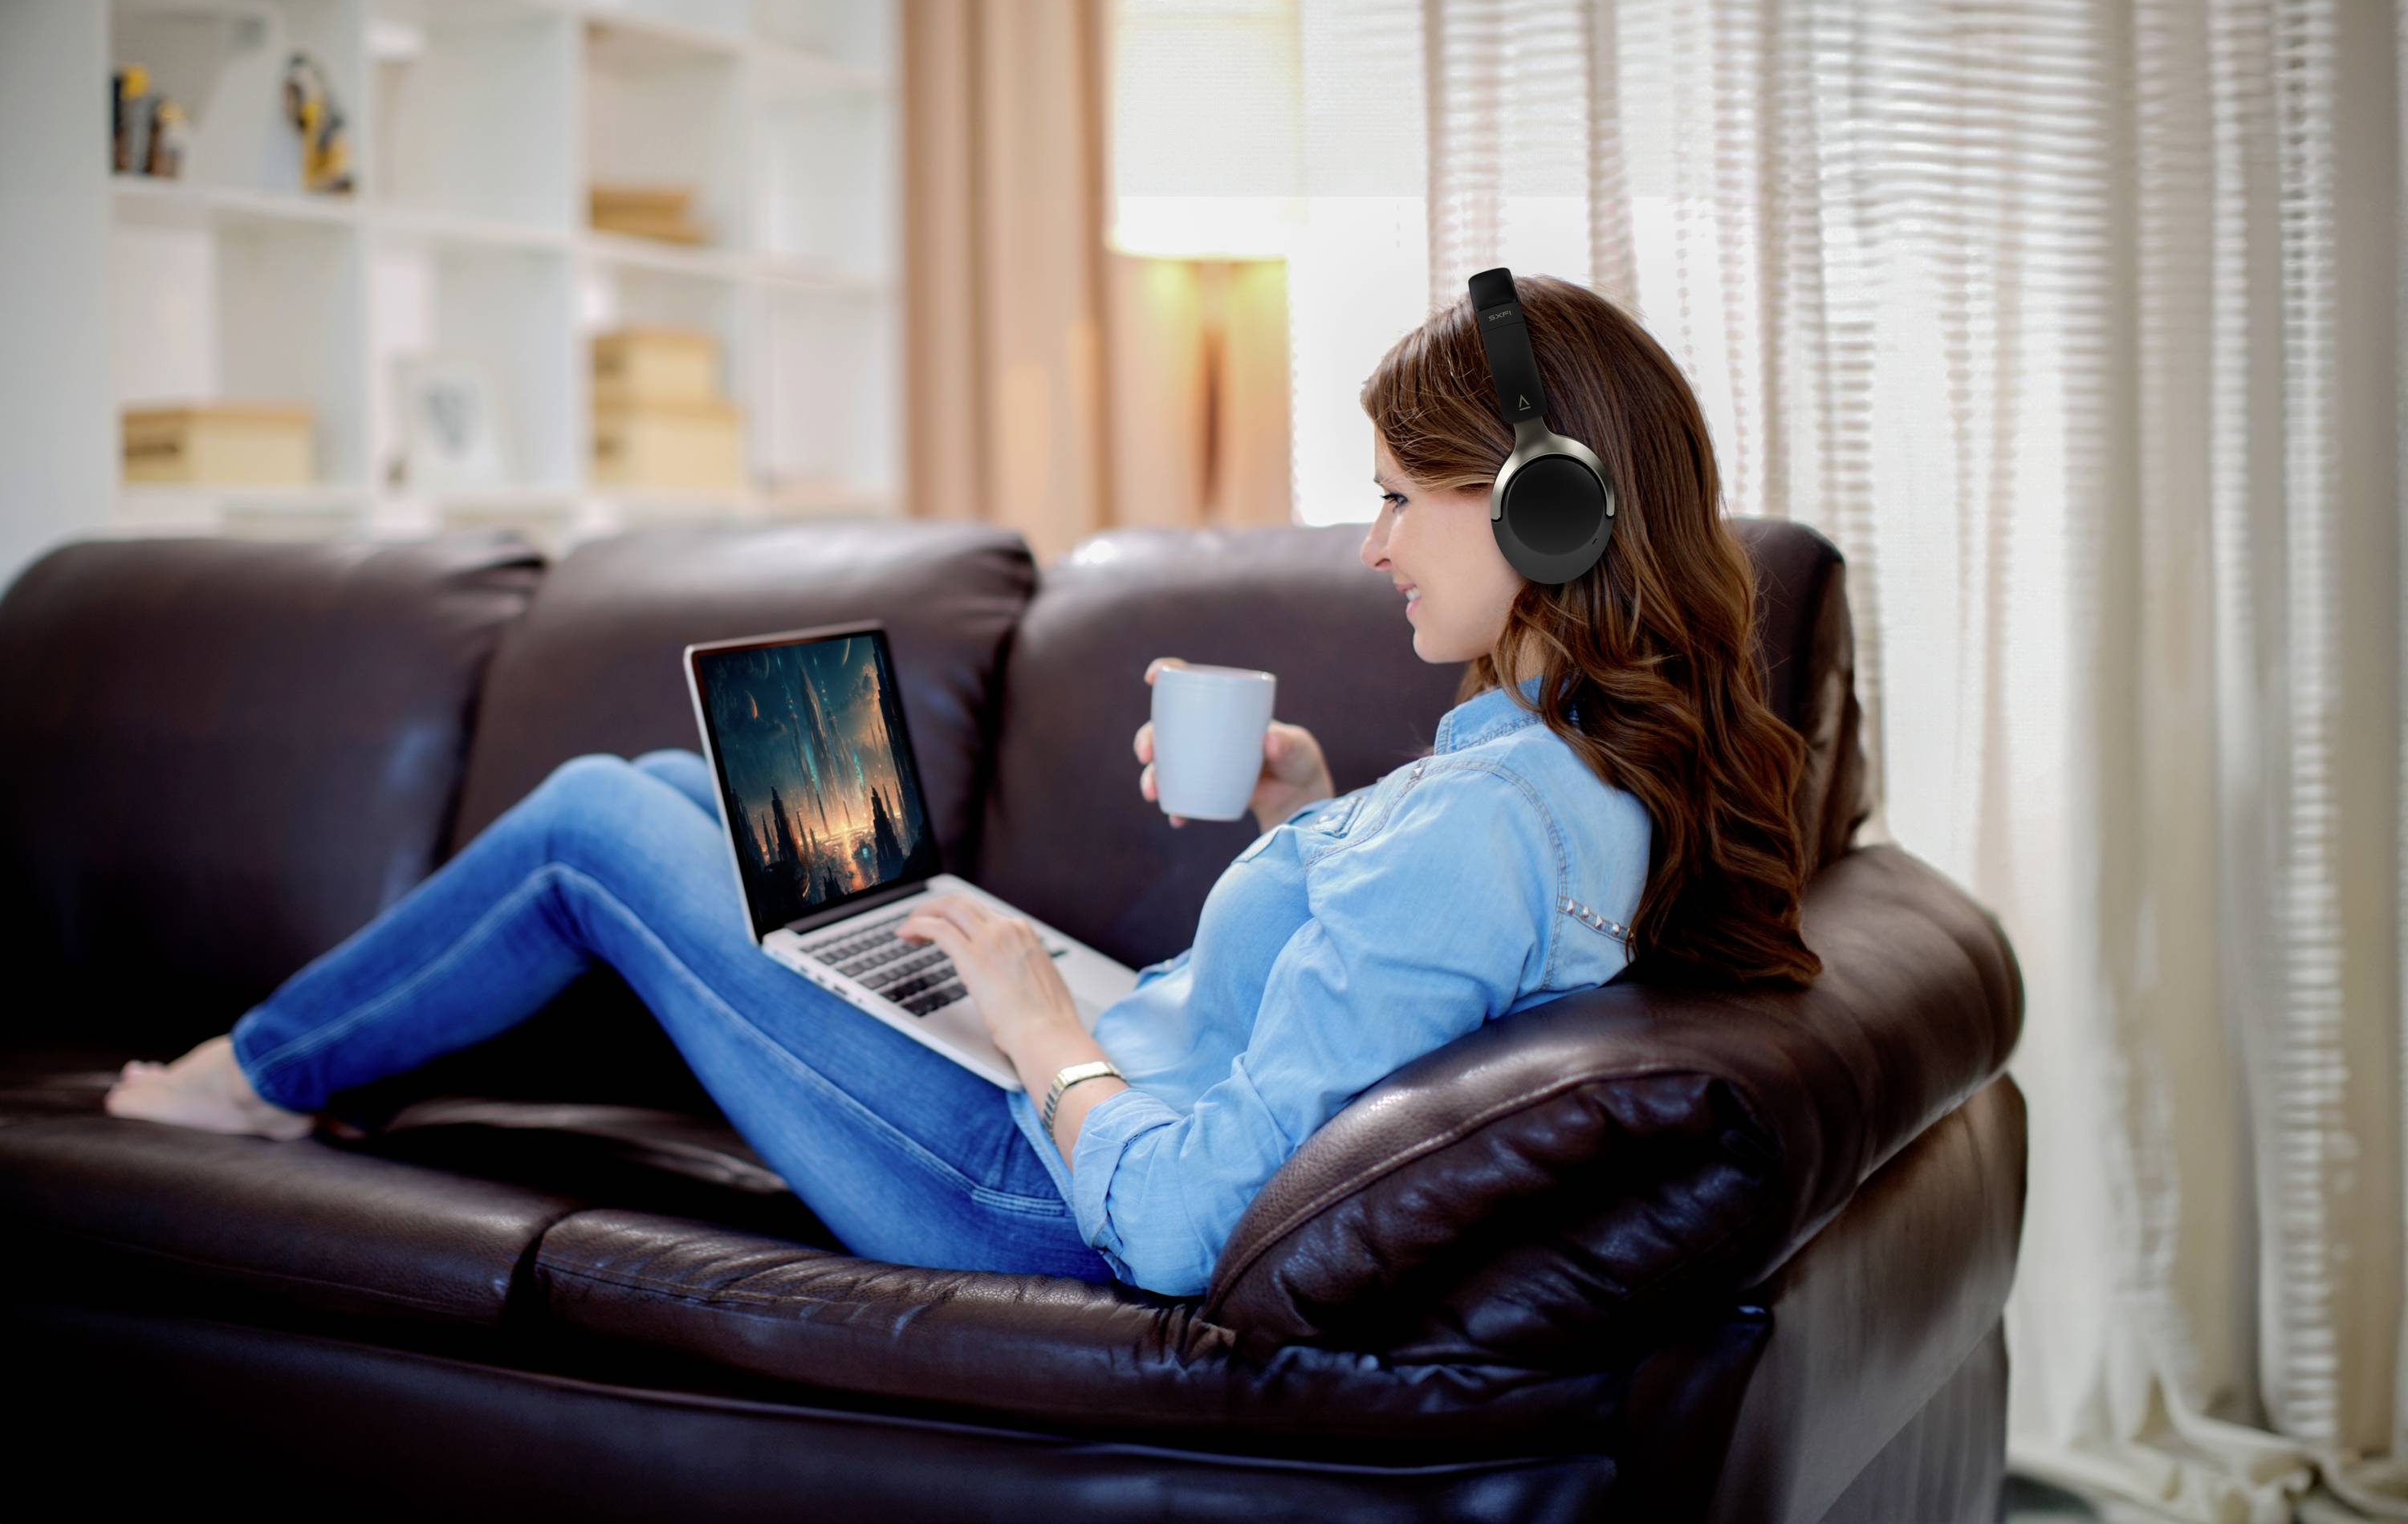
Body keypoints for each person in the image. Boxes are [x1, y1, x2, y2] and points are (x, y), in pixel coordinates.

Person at [101, 274, 1822, 1300]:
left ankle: (244, 1081)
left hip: (1026, 1187)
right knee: (666, 779)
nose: (1369, 541)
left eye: (1398, 496)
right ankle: (274, 1070)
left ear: (1541, 520)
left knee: (588, 823)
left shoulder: (1483, 827)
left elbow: (1184, 1223)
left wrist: (1038, 1031)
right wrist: (1309, 814)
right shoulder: (1582, 779)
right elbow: (1406, 979)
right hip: (1085, 1086)